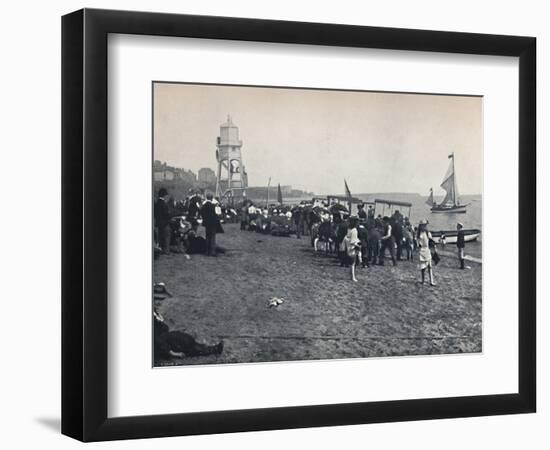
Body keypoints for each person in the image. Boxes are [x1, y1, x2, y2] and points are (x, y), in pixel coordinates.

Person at [153, 309, 223, 363]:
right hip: (166, 346)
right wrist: (174, 354)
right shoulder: (154, 328)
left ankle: (209, 348)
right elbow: (159, 341)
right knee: (189, 346)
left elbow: (163, 325)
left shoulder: (155, 316)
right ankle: (214, 350)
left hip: (168, 338)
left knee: (188, 341)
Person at [417, 219, 436, 286]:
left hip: (427, 250)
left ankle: (431, 281)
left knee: (430, 266)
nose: (425, 227)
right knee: (423, 268)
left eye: (425, 225)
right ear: (421, 226)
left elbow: (431, 241)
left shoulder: (428, 233)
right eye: (423, 225)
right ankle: (423, 280)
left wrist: (434, 247)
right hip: (422, 250)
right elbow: (418, 242)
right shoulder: (419, 234)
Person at [343, 216, 361, 281]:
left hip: (348, 247)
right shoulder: (354, 230)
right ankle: (353, 277)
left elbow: (348, 238)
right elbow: (353, 242)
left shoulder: (349, 229)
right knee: (353, 263)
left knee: (352, 263)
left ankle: (352, 276)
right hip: (352, 248)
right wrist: (359, 246)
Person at [154, 188, 172, 255]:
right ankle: (166, 251)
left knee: (160, 237)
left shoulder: (156, 203)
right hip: (165, 223)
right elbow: (166, 214)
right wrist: (170, 217)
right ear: (164, 195)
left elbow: (155, 214)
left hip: (158, 223)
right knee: (167, 237)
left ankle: (160, 250)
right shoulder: (164, 204)